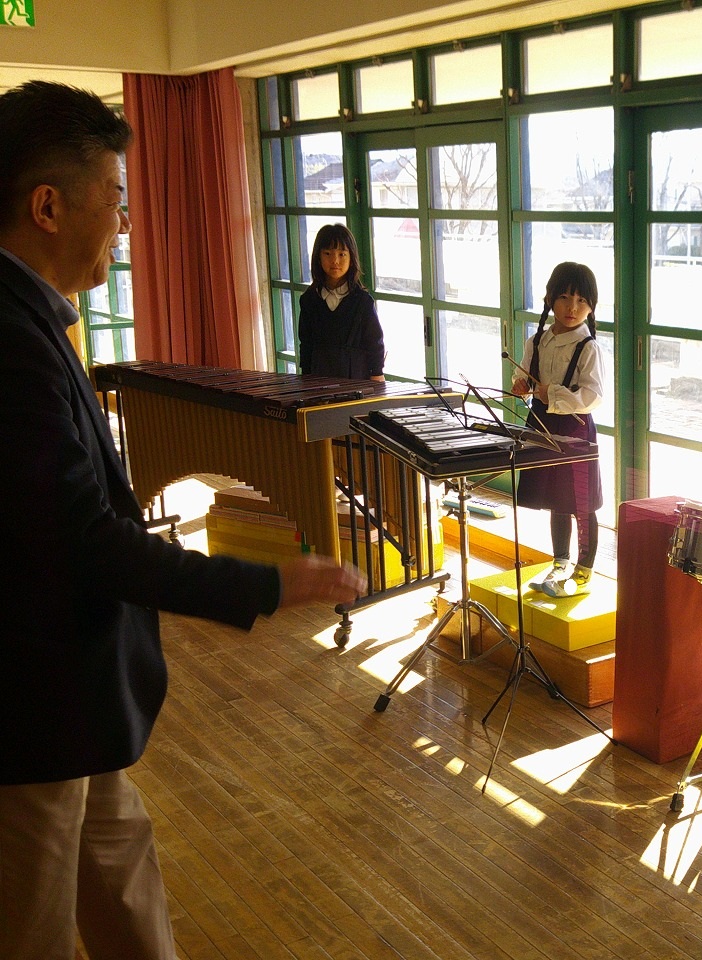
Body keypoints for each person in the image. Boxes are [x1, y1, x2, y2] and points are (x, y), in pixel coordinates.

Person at [0, 80, 367, 960]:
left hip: (74, 700)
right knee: (32, 930)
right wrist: (263, 584)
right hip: (29, 709)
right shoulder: (8, 342)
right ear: (48, 207)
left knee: (126, 886)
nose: (126, 224)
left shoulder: (32, 318)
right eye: (115, 200)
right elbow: (85, 541)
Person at [511, 262, 605, 598]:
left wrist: (551, 393)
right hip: (541, 424)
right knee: (556, 497)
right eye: (564, 298)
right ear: (550, 299)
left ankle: (584, 571)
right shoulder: (537, 340)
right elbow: (525, 374)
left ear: (591, 306)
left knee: (582, 501)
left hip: (575, 430)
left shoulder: (589, 347)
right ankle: (560, 562)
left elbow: (593, 396)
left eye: (581, 301)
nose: (572, 308)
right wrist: (521, 384)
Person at [298, 223, 385, 381]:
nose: (335, 261)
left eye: (342, 254)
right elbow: (306, 343)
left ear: (351, 259)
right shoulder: (309, 300)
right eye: (327, 253)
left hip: (356, 379)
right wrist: (305, 379)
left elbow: (375, 342)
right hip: (319, 378)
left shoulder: (363, 301)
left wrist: (377, 374)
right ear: (318, 257)